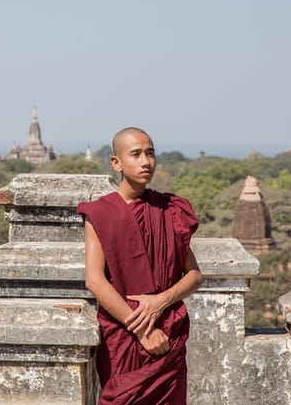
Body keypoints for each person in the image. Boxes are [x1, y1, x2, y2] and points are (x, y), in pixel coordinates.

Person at [77, 127, 203, 405]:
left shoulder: (170, 209)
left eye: (150, 153)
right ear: (116, 163)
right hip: (124, 334)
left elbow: (194, 276)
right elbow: (94, 281)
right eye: (136, 154)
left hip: (168, 333)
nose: (146, 162)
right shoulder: (100, 212)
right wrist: (144, 331)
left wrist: (161, 301)